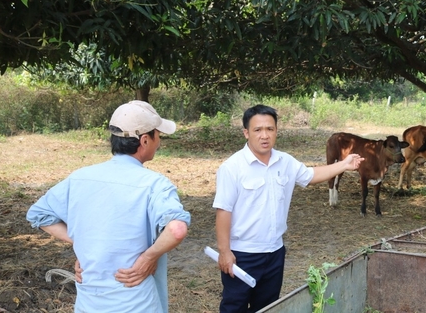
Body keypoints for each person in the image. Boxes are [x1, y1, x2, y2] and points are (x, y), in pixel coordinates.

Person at [26, 100, 191, 313]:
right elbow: (176, 229)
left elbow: (38, 214)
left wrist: (85, 242)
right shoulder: (154, 184)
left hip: (89, 304)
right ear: (144, 140)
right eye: (158, 134)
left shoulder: (80, 178)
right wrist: (149, 257)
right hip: (136, 302)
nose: (159, 141)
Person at [212, 104, 364, 313]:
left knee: (268, 306)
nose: (264, 135)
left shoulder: (285, 162)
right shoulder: (232, 167)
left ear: (276, 131)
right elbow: (223, 211)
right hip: (243, 254)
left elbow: (311, 176)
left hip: (275, 252)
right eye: (257, 130)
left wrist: (344, 165)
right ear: (246, 133)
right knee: (234, 306)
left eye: (270, 129)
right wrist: (225, 252)